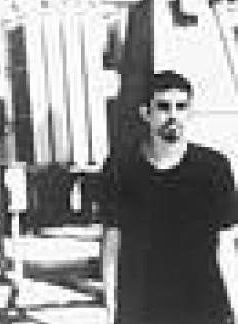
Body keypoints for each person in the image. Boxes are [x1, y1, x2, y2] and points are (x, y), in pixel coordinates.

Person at [100, 70, 238, 324]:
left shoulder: (214, 168)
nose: (173, 115)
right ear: (146, 113)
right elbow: (112, 246)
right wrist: (111, 310)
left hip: (205, 309)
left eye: (181, 107)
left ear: (190, 112)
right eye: (163, 107)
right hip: (142, 310)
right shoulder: (121, 168)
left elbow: (226, 247)